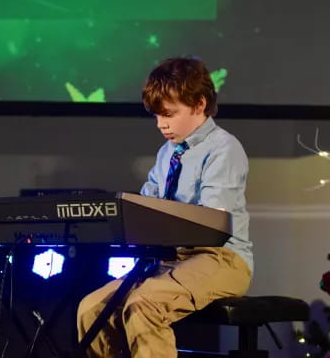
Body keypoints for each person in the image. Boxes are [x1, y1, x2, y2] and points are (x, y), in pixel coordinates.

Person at [76, 57, 253, 358]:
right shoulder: (167, 152)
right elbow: (148, 205)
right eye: (157, 116)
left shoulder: (224, 148)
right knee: (91, 309)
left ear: (199, 104)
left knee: (144, 303)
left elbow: (210, 225)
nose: (161, 124)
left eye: (169, 114)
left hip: (220, 259)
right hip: (173, 260)